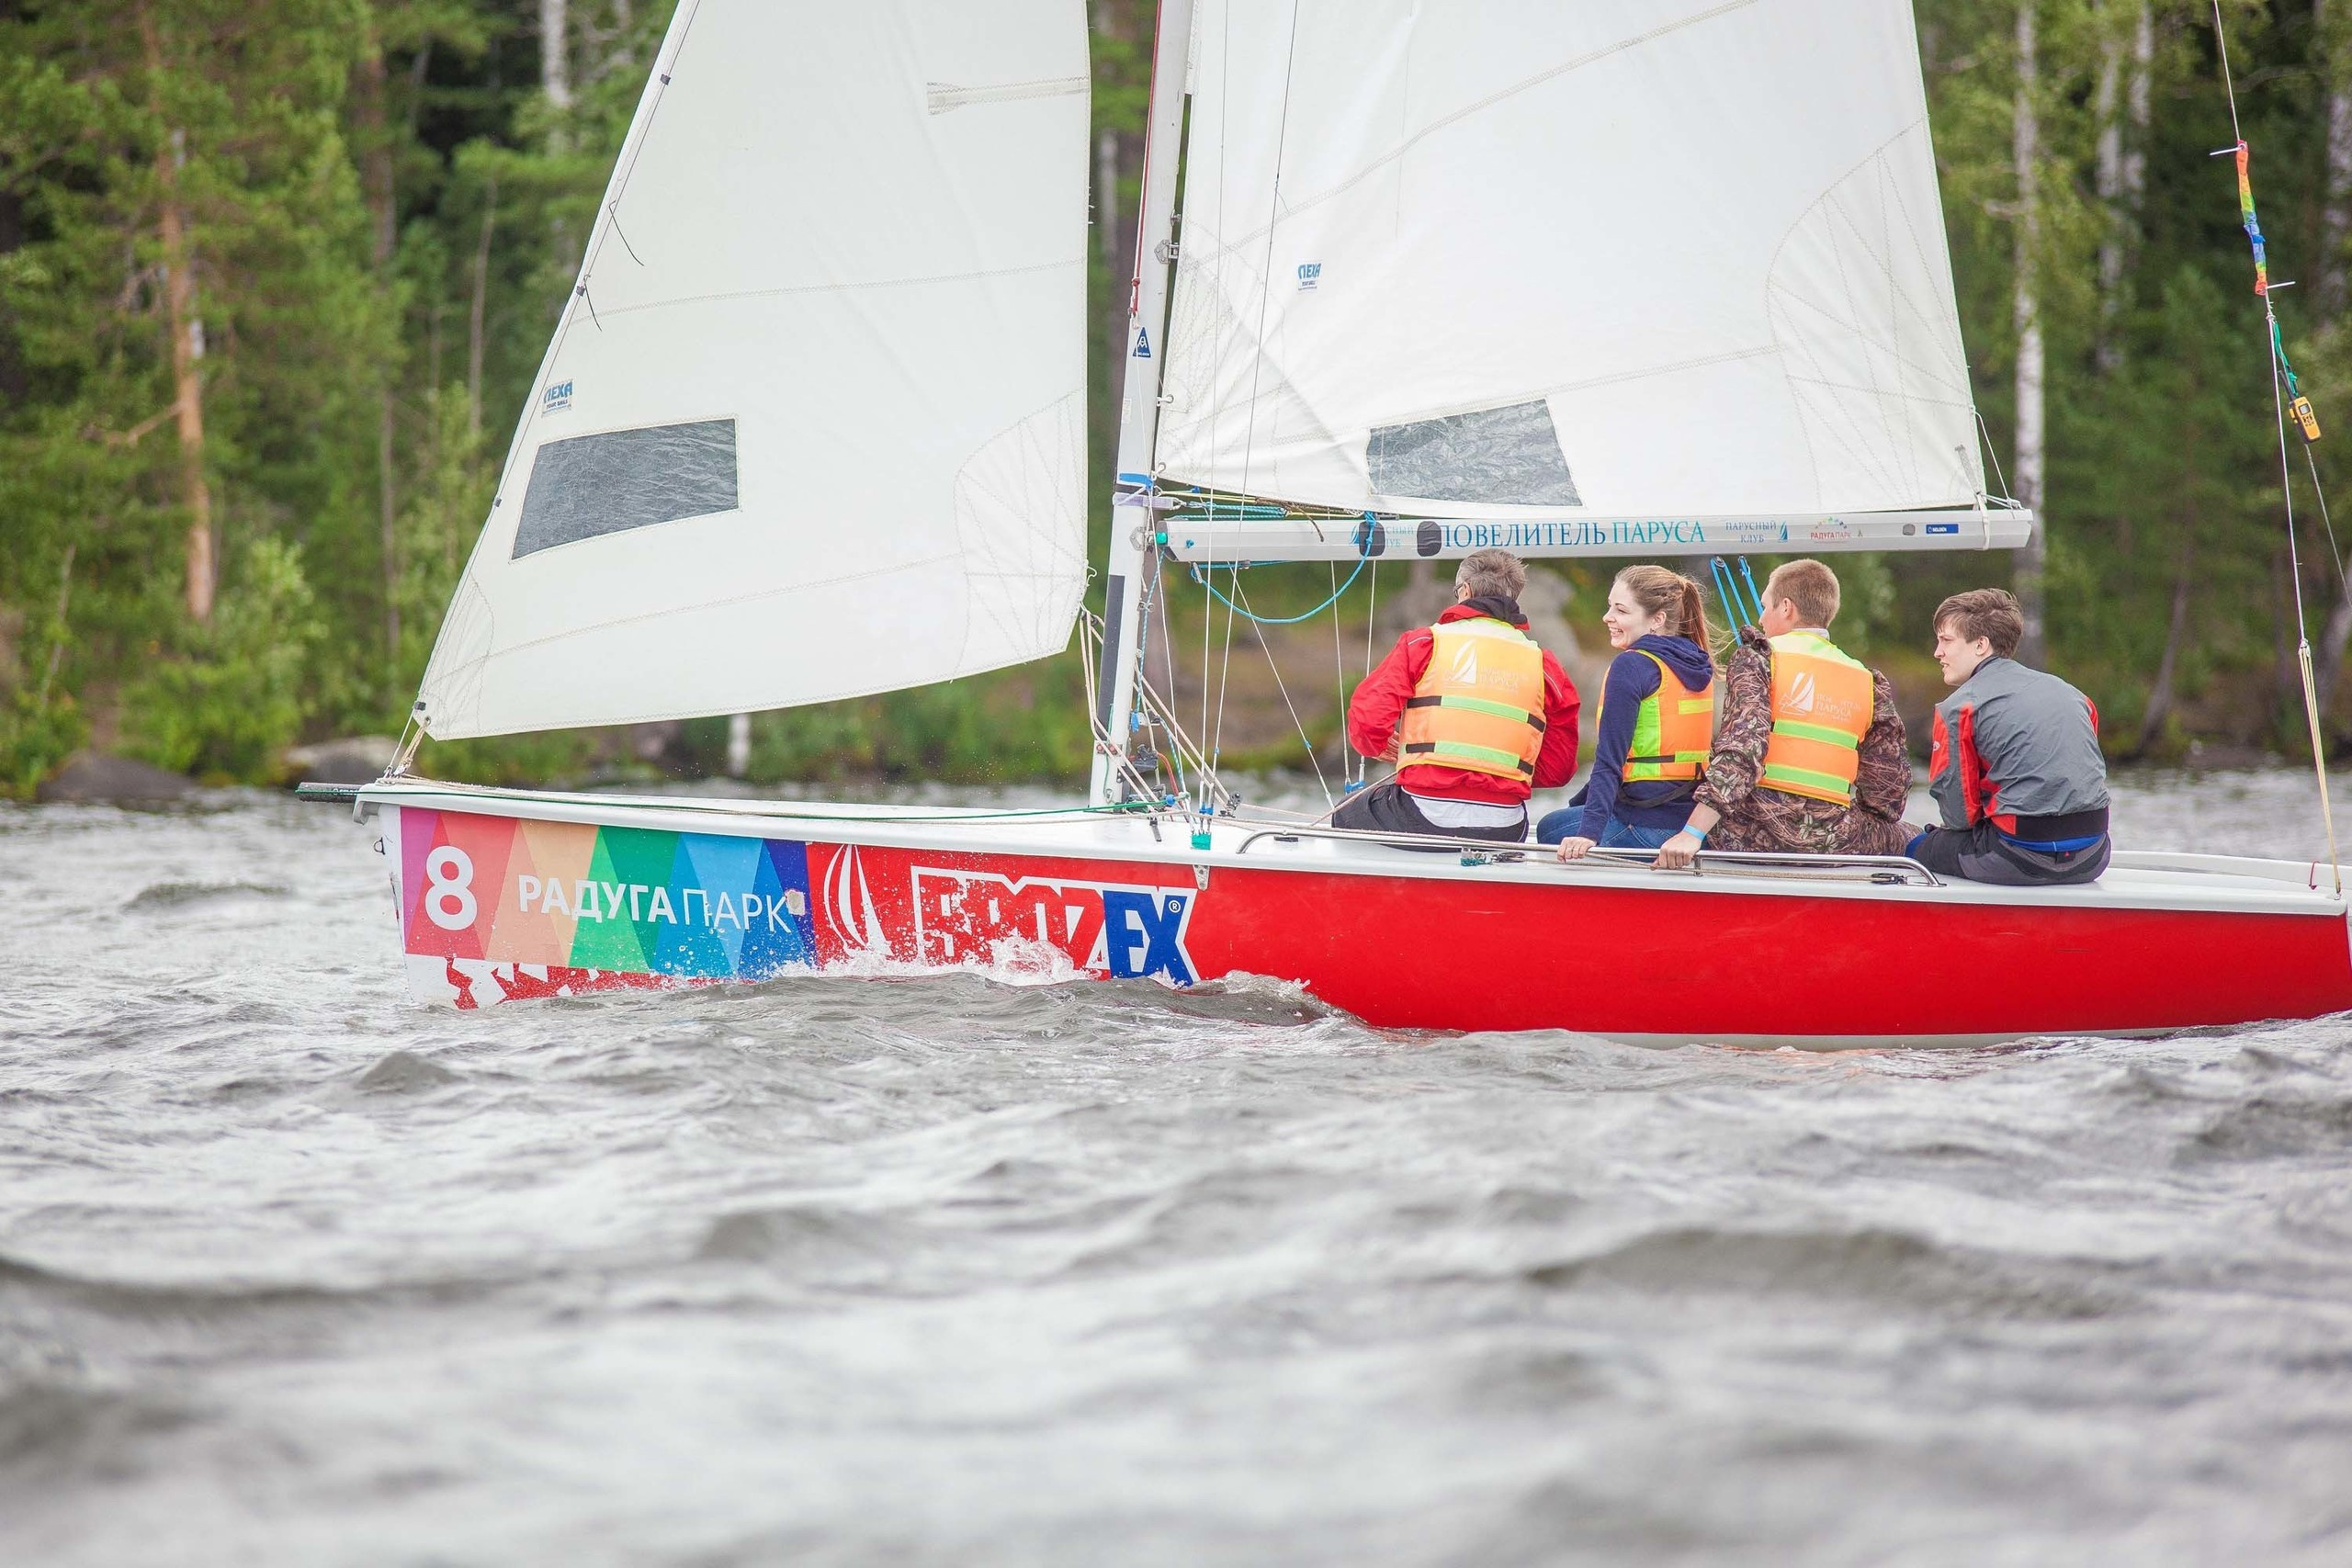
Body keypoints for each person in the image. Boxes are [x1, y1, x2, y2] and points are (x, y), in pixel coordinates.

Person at [1654, 558, 1909, 868]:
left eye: (1765, 607)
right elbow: (1888, 789)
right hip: (1834, 840)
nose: (1761, 619)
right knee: (1913, 835)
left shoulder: (1758, 658)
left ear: (1786, 608)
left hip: (1751, 835)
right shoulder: (1869, 680)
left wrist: (1692, 833)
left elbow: (1743, 749)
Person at [1340, 548, 1580, 842]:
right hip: (1505, 826)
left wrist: (1375, 746)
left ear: (1464, 590)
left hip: (1423, 814)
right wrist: (1498, 774)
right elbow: (1558, 769)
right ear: (1514, 598)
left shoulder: (1424, 643)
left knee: (1345, 813)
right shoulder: (1544, 664)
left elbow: (1368, 721)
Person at [1907, 587, 2111, 885]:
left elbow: (1958, 817)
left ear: (1980, 645)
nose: (1937, 652)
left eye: (1946, 640)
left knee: (1918, 847)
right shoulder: (2077, 697)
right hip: (2094, 855)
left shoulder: (1958, 708)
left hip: (2017, 858)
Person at [1540, 565, 1716, 857]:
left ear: (1657, 620)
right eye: (1610, 607)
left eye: (1621, 610)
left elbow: (1609, 762)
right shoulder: (1698, 663)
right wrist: (1581, 809)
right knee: (1570, 815)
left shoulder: (1632, 665)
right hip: (1688, 825)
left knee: (1549, 827)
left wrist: (1588, 834)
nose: (1607, 617)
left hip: (1648, 825)